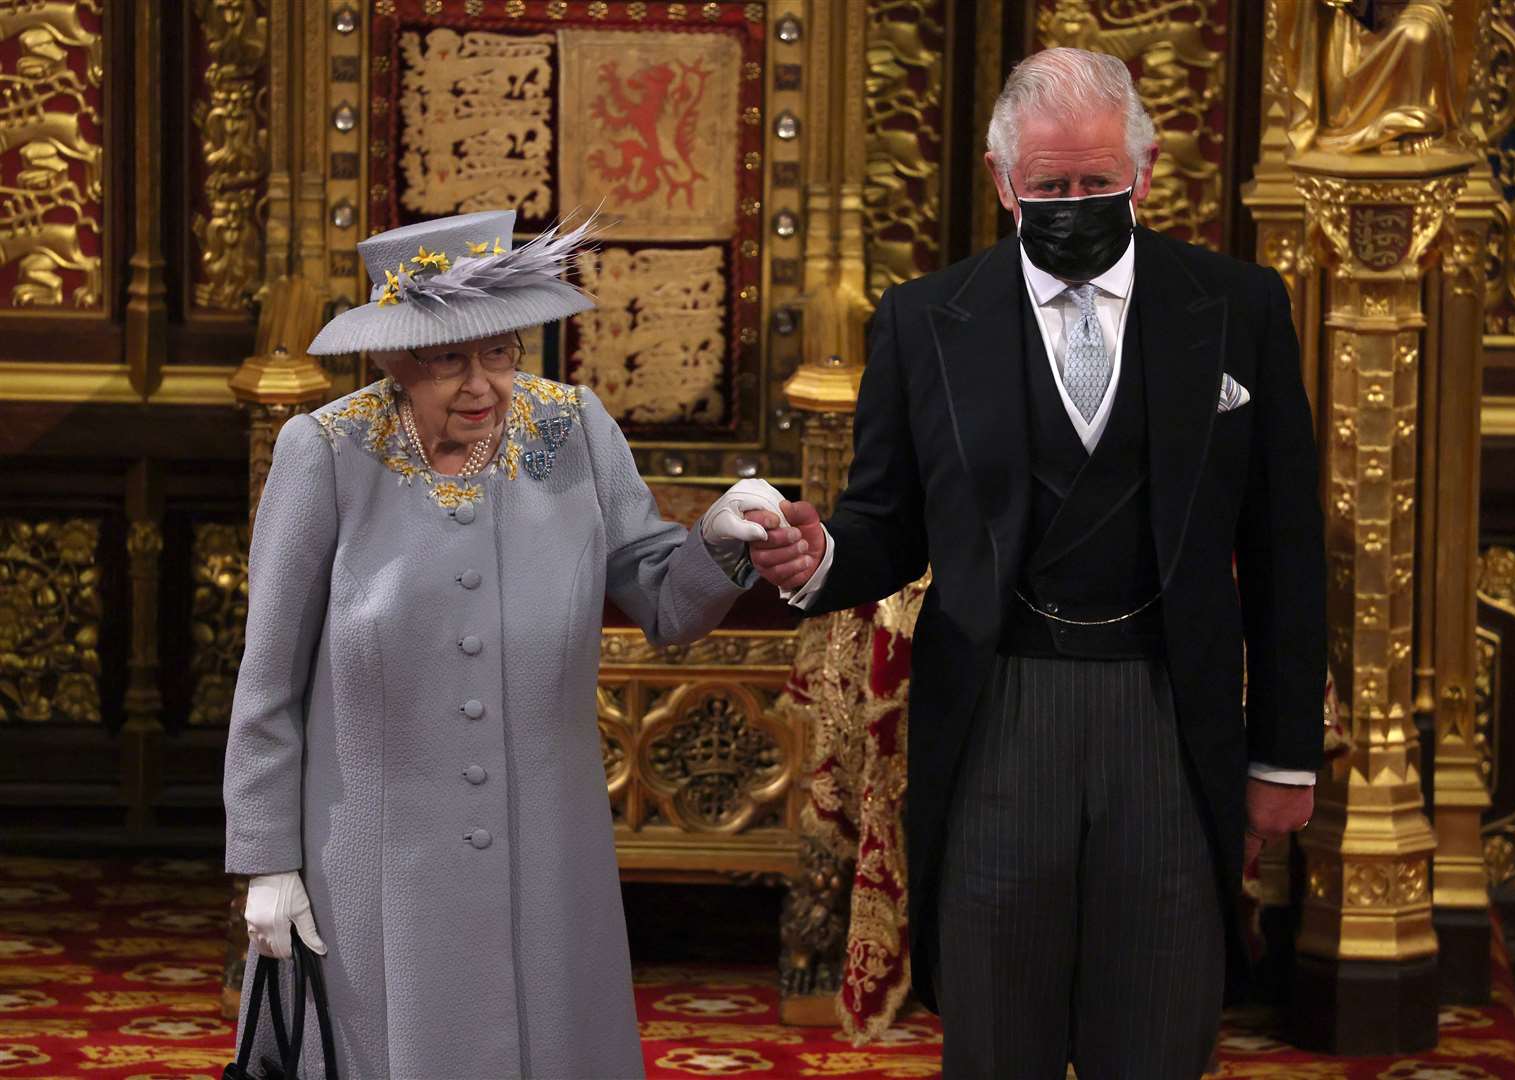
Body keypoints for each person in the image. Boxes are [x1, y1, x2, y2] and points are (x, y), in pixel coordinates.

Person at [746, 48, 1325, 1078]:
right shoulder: (925, 321)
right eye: (1049, 186)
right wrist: (817, 554)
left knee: (1156, 1029)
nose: (1073, 204)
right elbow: (886, 528)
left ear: (1144, 174)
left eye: (1097, 184)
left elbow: (1284, 552)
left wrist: (1284, 760)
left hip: (1169, 710)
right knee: (998, 1032)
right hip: (999, 717)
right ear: (1002, 179)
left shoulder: (1241, 308)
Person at [222, 209, 775, 1079]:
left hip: (547, 862)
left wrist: (717, 541)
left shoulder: (572, 427)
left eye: (502, 352)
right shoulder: (323, 451)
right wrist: (266, 863)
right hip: (371, 873)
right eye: (448, 360)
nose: (482, 385)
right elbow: (268, 682)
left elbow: (663, 599)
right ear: (395, 359)